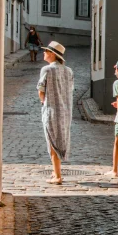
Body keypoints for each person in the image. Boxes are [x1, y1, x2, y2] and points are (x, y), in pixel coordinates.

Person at [36, 41, 73, 185]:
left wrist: (44, 102)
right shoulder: (69, 71)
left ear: (52, 54)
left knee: (52, 142)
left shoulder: (47, 69)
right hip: (66, 111)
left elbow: (41, 90)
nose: (44, 53)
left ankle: (58, 176)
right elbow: (69, 90)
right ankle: (55, 171)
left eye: (46, 51)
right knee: (61, 140)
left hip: (51, 110)